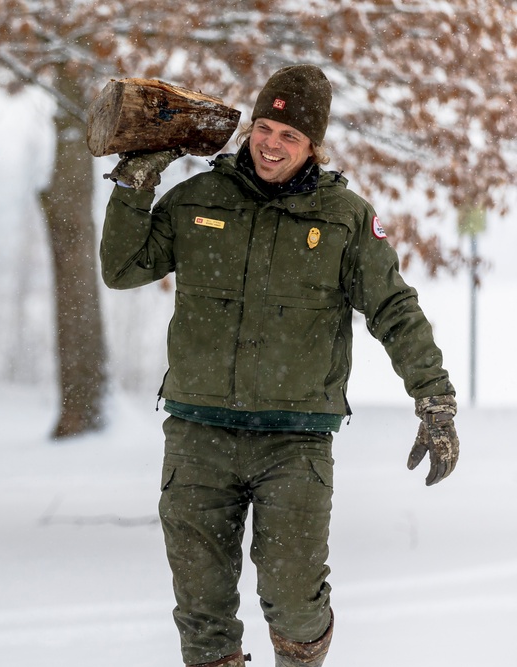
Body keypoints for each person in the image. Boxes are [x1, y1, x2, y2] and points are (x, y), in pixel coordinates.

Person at [99, 65, 459, 667]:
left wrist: (435, 398)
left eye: (289, 136)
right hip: (197, 436)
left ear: (313, 146)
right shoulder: (196, 200)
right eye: (264, 127)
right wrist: (134, 185)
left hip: (294, 443)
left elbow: (394, 308)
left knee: (294, 601)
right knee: (202, 609)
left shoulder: (345, 219)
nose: (271, 144)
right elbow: (122, 267)